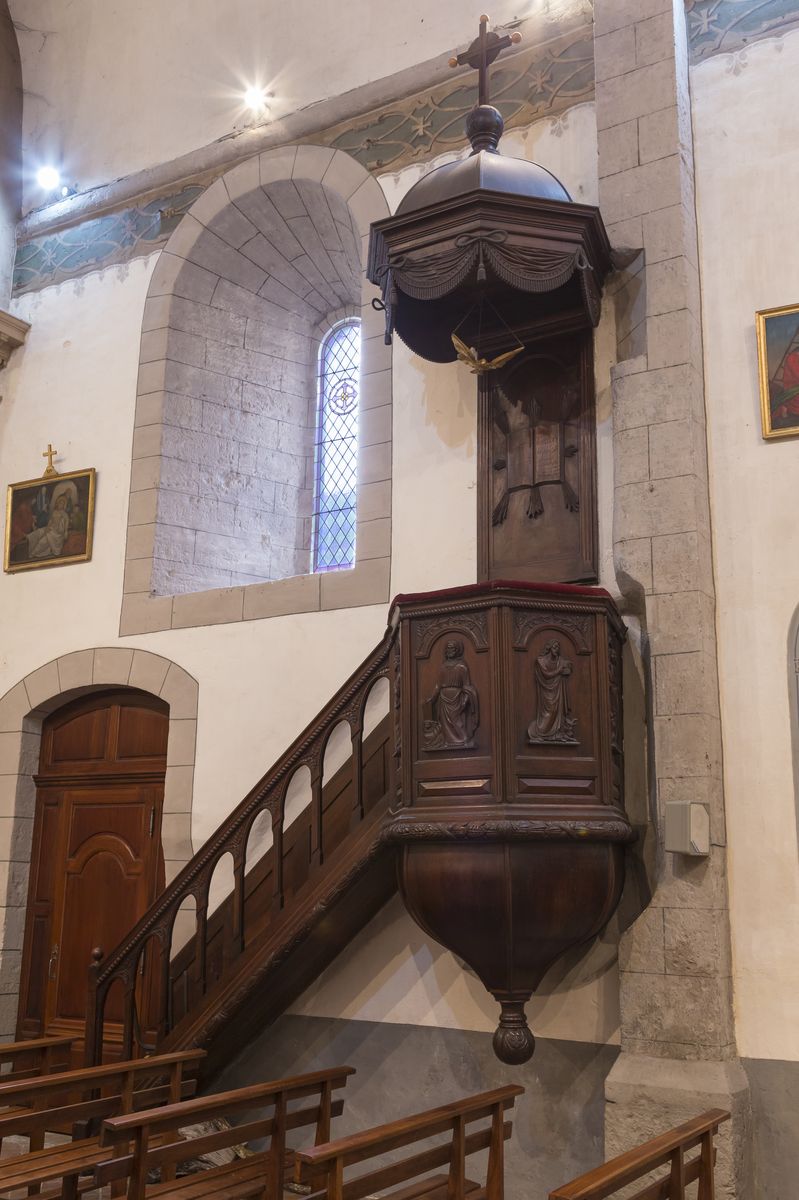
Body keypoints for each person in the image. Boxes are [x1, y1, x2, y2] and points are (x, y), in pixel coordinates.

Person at [424, 640, 479, 750]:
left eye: (452, 648)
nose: (449, 650)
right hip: (444, 698)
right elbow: (438, 686)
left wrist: (465, 700)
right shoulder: (443, 666)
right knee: (445, 723)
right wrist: (432, 698)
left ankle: (463, 740)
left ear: (457, 650)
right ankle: (449, 742)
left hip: (457, 697)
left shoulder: (462, 666)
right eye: (448, 648)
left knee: (457, 722)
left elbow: (467, 686)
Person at [527, 640, 578, 744]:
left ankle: (557, 733)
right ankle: (540, 732)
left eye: (558, 647)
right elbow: (546, 674)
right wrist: (559, 671)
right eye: (554, 647)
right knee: (549, 712)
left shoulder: (560, 661)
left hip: (557, 690)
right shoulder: (541, 661)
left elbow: (569, 666)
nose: (556, 649)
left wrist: (568, 667)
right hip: (546, 691)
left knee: (556, 711)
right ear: (549, 648)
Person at [25, 494, 71, 559]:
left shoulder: (64, 514)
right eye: (59, 503)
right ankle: (29, 537)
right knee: (40, 531)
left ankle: (32, 554)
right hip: (51, 529)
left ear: (64, 505)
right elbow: (50, 521)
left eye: (62, 504)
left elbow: (66, 522)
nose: (60, 505)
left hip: (57, 533)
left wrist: (66, 531)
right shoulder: (55, 512)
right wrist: (47, 528)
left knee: (42, 542)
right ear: (57, 504)